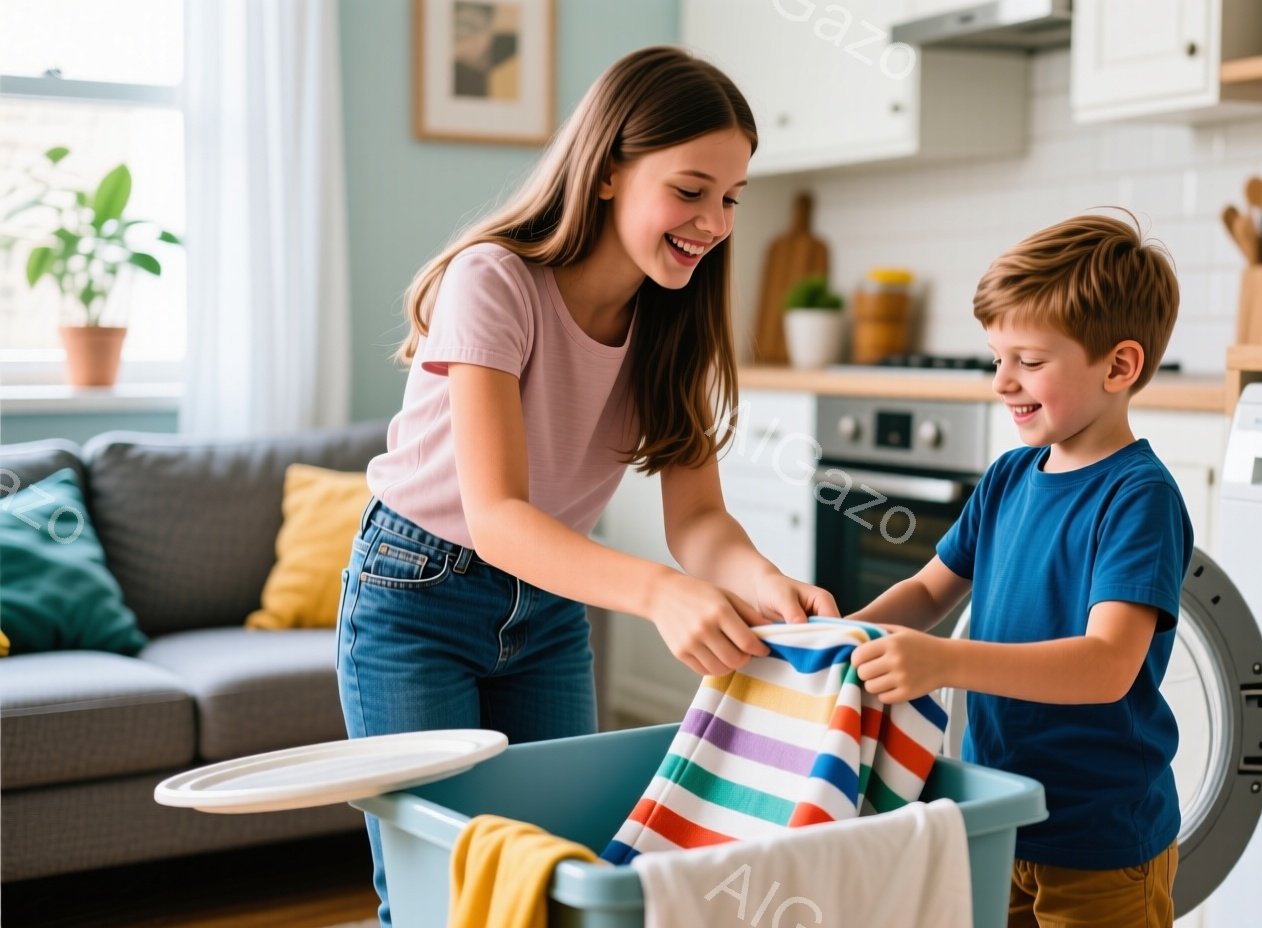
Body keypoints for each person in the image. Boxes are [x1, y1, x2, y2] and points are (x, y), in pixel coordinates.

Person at [337, 46, 837, 926]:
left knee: (559, 872)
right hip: (416, 594)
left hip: (550, 606)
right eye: (689, 191)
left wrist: (764, 583)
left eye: (729, 198)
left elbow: (700, 520)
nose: (714, 222)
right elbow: (496, 517)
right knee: (436, 895)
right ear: (608, 172)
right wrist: (660, 593)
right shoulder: (494, 281)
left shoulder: (671, 321)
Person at [849, 211, 1193, 927]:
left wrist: (943, 661)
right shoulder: (1009, 477)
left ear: (1119, 366)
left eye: (1029, 361)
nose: (1003, 381)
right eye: (995, 358)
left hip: (1101, 840)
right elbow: (926, 591)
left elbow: (1106, 666)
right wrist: (838, 635)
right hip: (998, 814)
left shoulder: (1139, 496)